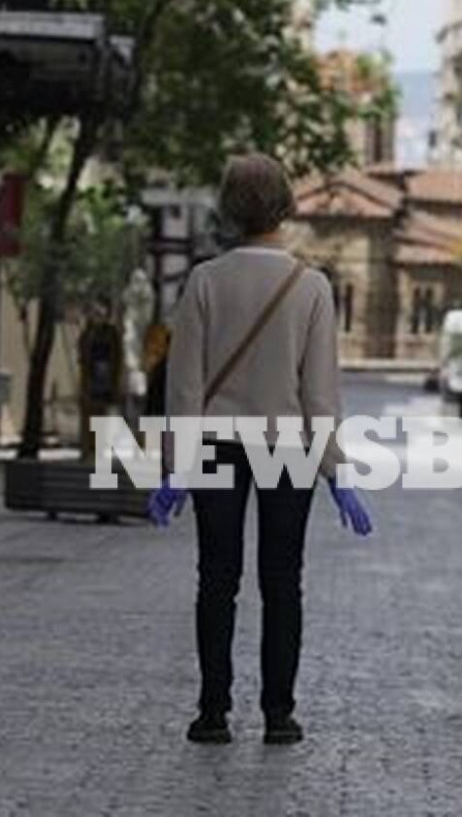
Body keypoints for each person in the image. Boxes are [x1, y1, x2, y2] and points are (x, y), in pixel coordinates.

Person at [165, 153, 370, 746]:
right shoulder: (312, 287)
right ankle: (279, 714)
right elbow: (319, 395)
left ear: (229, 209)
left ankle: (213, 713)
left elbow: (185, 386)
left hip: (217, 445)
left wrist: (176, 466)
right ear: (286, 206)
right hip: (288, 448)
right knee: (283, 581)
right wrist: (337, 473)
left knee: (216, 578)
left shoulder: (205, 281)